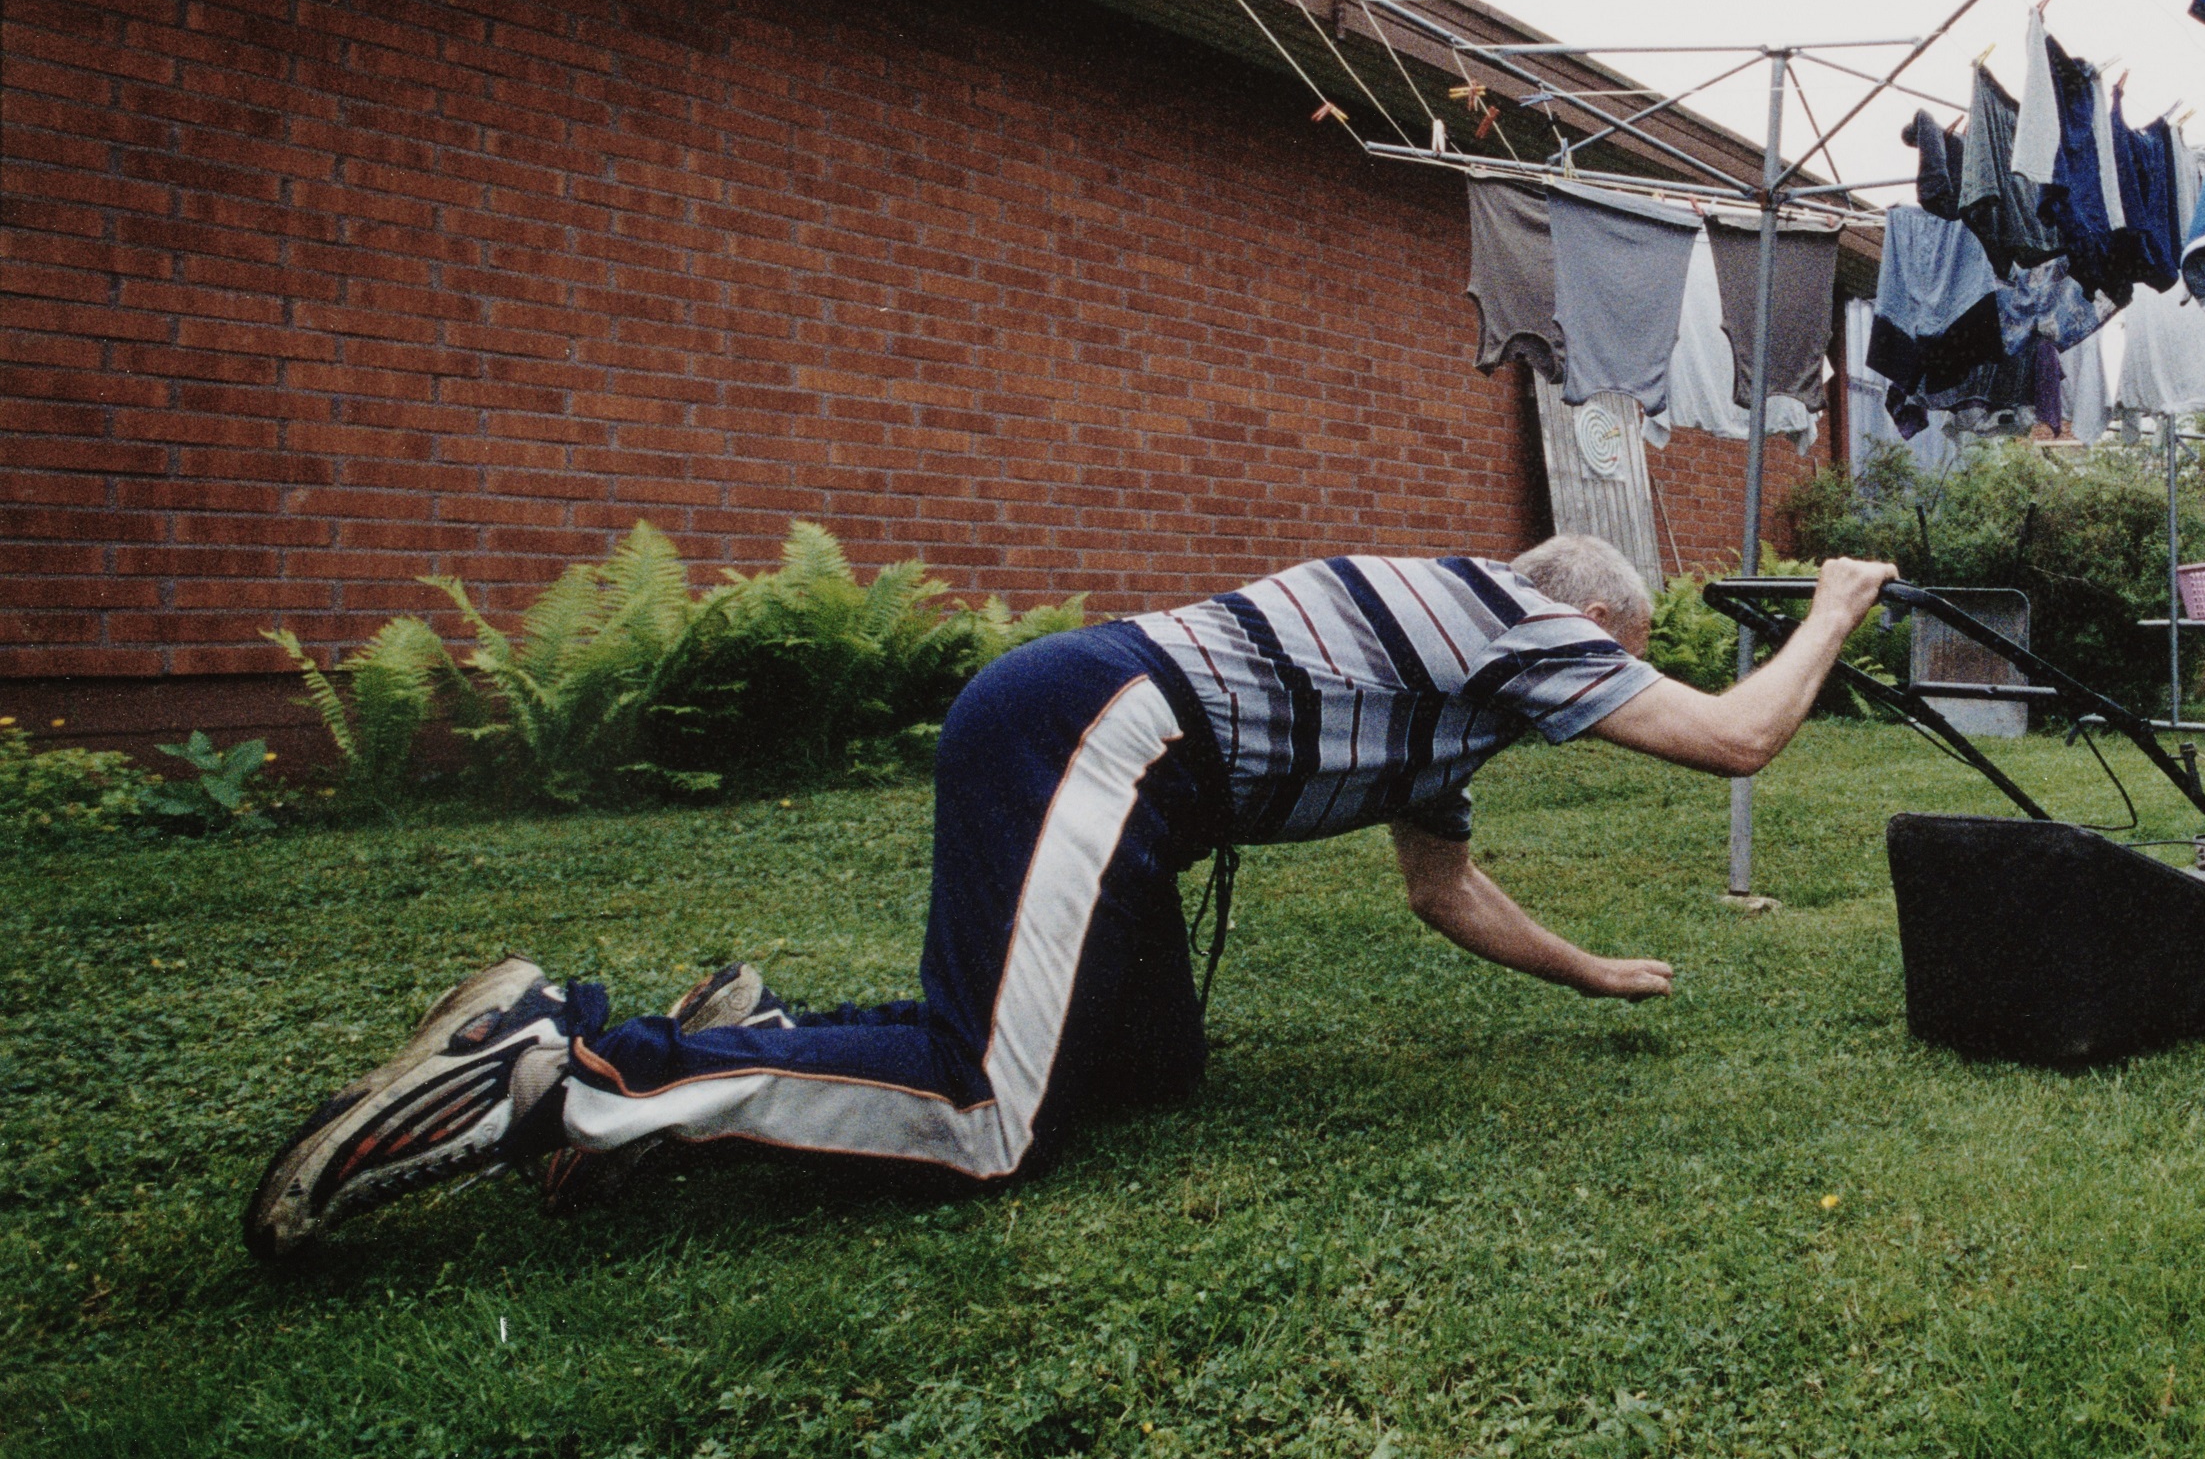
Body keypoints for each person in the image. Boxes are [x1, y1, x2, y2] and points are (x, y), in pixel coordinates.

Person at [244, 537, 1896, 1260]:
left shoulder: (1450, 698)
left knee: (1146, 1064)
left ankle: (747, 1040)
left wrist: (1595, 969)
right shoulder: (1518, 622)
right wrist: (1828, 607)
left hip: (1105, 752)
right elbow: (1741, 734)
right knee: (986, 1112)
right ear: (1591, 629)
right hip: (1102, 732)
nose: (1616, 689)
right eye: (1622, 661)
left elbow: (1444, 885)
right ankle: (576, 1071)